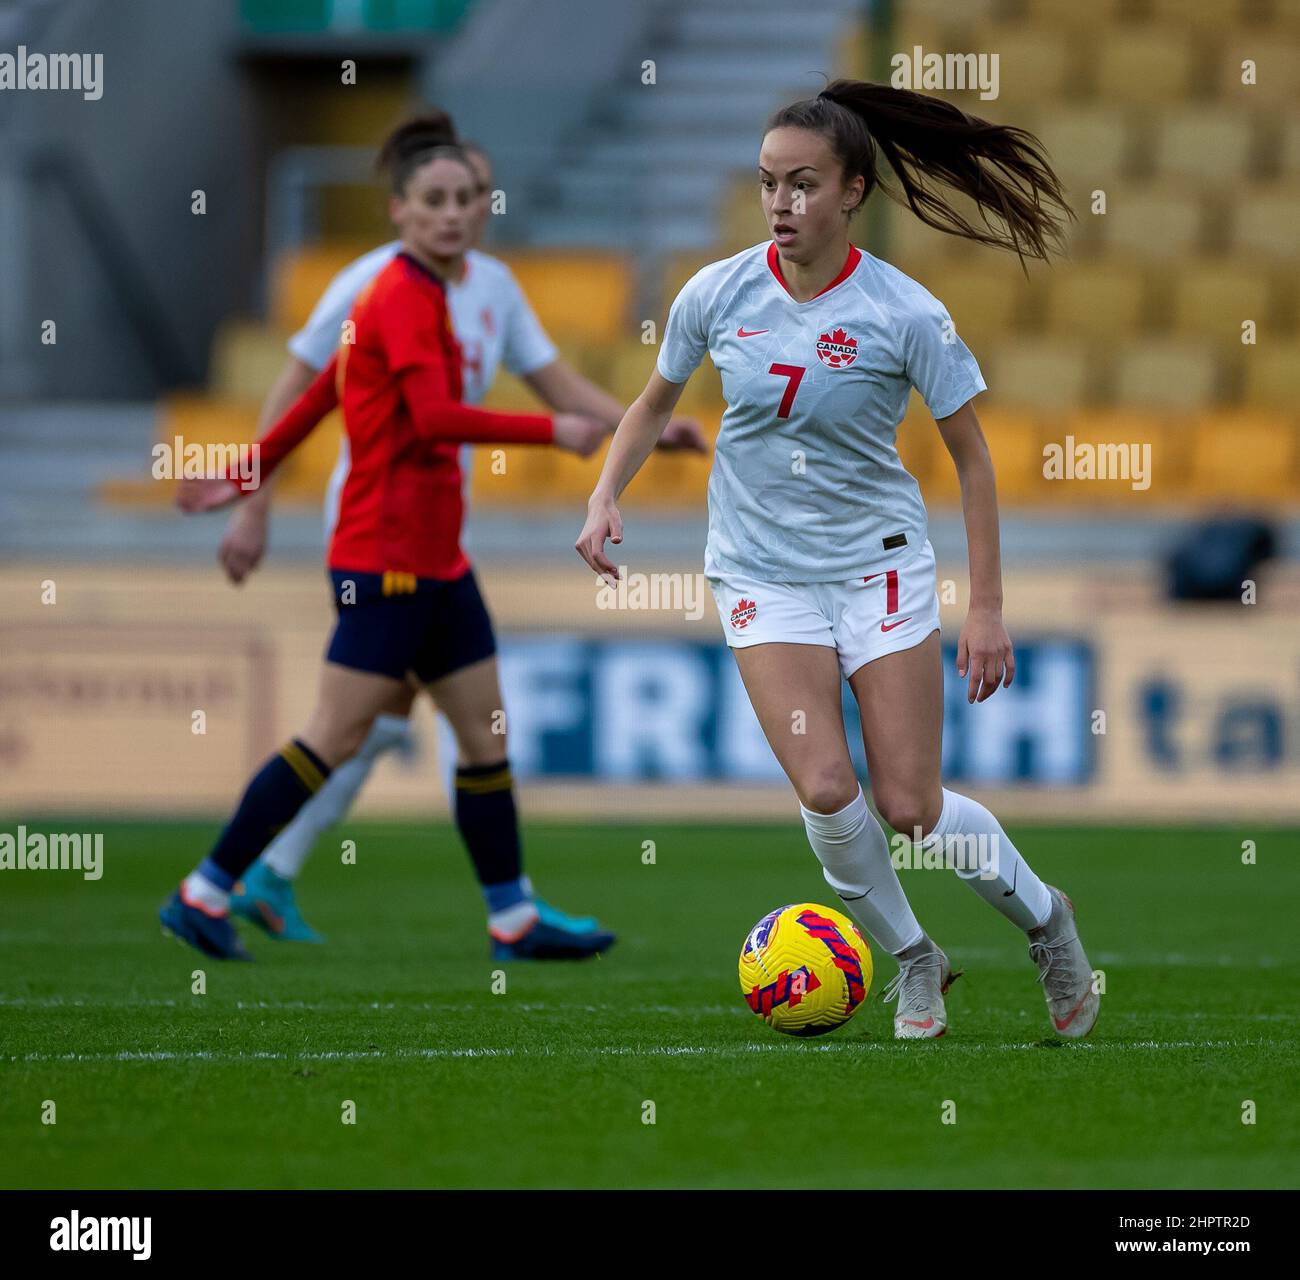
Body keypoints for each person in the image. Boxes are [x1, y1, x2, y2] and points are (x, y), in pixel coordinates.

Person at [576, 80, 1100, 1039]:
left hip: (881, 568)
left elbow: (973, 460)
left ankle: (1047, 920)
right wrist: (607, 490)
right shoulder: (716, 291)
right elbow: (653, 402)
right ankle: (914, 960)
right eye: (770, 183)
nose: (781, 204)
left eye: (803, 184)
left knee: (912, 807)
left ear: (853, 190)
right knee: (825, 786)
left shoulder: (906, 313)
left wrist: (985, 609)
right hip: (760, 571)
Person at [218, 119, 707, 942]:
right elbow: (306, 387)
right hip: (377, 531)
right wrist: (252, 498)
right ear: (405, 206)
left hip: (439, 533)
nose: (459, 211)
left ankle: (277, 877)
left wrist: (646, 428)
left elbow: (555, 383)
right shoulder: (375, 284)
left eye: (473, 194)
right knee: (362, 722)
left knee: (387, 724)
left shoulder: (490, 285)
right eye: (441, 195)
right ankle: (238, 877)